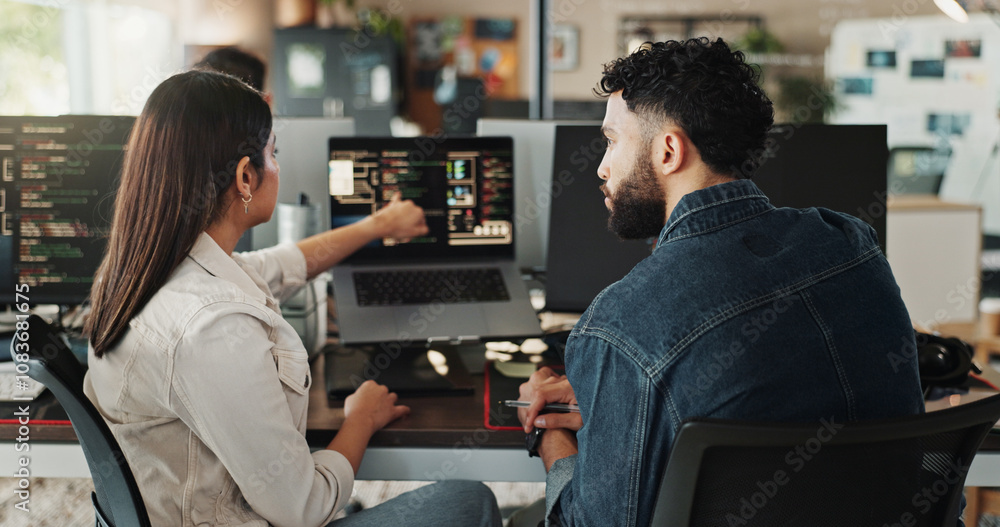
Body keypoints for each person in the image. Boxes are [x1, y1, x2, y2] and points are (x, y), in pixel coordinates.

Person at [515, 38, 926, 526]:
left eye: (611, 141)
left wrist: (548, 436)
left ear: (669, 150)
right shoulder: (850, 243)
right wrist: (621, 401)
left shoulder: (617, 326)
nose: (601, 168)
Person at [82, 70, 502, 527]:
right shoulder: (212, 328)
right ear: (245, 176)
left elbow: (279, 266)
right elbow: (305, 507)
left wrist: (376, 226)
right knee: (469, 502)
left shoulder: (140, 271)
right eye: (273, 154)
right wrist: (360, 420)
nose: (277, 166)